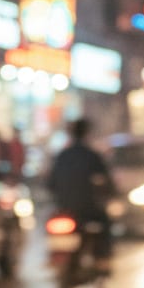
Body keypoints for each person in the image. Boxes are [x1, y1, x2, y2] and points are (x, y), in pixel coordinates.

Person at [48, 117, 115, 273]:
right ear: (87, 133)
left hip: (63, 207)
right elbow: (106, 181)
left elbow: (50, 183)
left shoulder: (62, 156)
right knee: (104, 224)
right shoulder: (92, 156)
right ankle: (102, 260)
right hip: (88, 209)